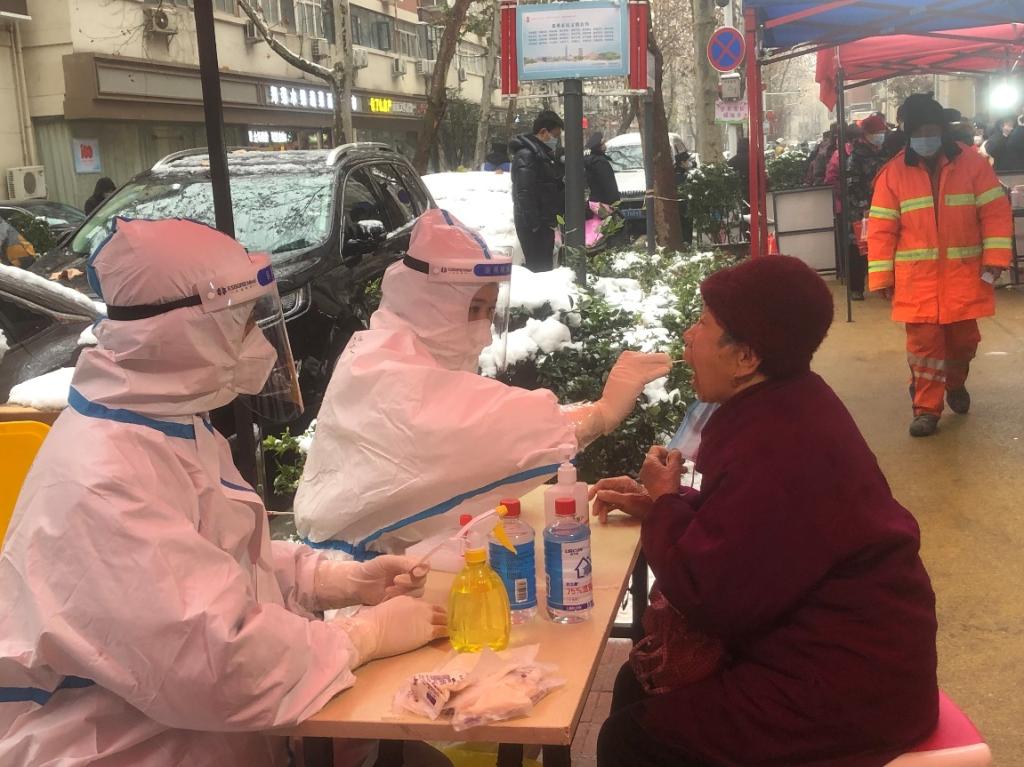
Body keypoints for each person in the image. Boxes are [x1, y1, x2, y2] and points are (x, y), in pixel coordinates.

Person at [0, 218, 448, 765]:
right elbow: (218, 663)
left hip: (196, 738)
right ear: (187, 333)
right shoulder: (101, 479)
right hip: (118, 751)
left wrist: (334, 581)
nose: (260, 341)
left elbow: (219, 558)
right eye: (244, 322)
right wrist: (362, 637)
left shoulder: (164, 424)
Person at [590, 255, 939, 767]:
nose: (688, 336)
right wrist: (662, 505)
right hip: (830, 654)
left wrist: (666, 504)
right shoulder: (788, 403)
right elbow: (753, 533)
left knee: (631, 738)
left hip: (846, 688)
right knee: (635, 683)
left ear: (745, 357)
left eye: (703, 324)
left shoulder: (781, 441)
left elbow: (709, 596)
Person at [295, 209, 670, 558]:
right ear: (428, 302)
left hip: (390, 562)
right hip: (352, 578)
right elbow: (478, 425)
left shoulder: (403, 353)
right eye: (473, 309)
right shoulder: (380, 368)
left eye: (489, 311)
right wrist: (599, 413)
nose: (484, 330)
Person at [868, 95, 1013, 437]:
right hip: (917, 281)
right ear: (908, 134)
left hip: (963, 276)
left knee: (964, 343)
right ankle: (926, 409)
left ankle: (955, 383)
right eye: (918, 132)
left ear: (943, 130)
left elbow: (994, 214)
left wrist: (995, 260)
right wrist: (882, 277)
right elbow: (881, 229)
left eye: (931, 130)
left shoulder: (973, 165)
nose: (926, 137)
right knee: (925, 350)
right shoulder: (892, 174)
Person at [511, 110, 566, 272]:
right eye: (555, 136)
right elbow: (524, 193)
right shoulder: (526, 155)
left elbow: (547, 185)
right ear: (543, 132)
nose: (556, 140)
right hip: (534, 227)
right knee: (539, 268)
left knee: (545, 267)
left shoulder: (542, 155)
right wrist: (535, 224)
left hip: (544, 223)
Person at [844, 113, 890, 300]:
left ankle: (884, 284)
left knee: (882, 245)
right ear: (867, 134)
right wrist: (864, 206)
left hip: (884, 207)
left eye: (882, 132)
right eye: (877, 132)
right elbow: (851, 185)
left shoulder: (885, 154)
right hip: (861, 210)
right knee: (859, 248)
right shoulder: (856, 157)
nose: (880, 136)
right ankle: (856, 288)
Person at [584, 131, 621, 207]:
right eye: (603, 143)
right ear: (599, 146)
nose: (605, 145)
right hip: (604, 204)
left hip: (594, 202)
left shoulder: (590, 161)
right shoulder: (601, 163)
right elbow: (608, 185)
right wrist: (615, 203)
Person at [673, 149, 695, 245]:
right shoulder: (679, 176)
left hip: (684, 207)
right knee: (685, 229)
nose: (691, 163)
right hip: (682, 208)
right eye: (689, 160)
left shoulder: (682, 173)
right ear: (682, 163)